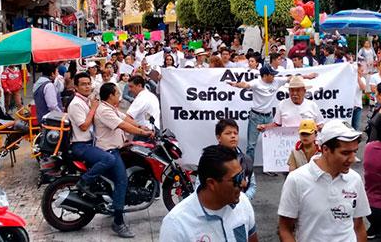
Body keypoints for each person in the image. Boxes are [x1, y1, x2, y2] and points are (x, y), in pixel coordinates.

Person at [278, 119, 369, 242]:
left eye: (354, 152)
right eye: (345, 153)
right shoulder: (296, 180)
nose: (353, 159)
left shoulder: (355, 179)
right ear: (325, 149)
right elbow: (285, 229)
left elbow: (358, 226)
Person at [159, 145, 258, 242]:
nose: (244, 183)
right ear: (211, 183)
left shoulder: (243, 202)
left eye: (242, 175)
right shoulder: (176, 225)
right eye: (237, 178)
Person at [94, 82, 154, 238]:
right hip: (109, 150)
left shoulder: (110, 108)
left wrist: (144, 127)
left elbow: (126, 119)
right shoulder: (104, 111)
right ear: (110, 96)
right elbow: (124, 126)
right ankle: (118, 222)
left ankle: (116, 203)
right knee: (122, 181)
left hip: (118, 147)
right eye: (117, 94)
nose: (119, 97)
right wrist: (142, 132)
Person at [227, 65, 314, 161]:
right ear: (264, 76)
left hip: (269, 117)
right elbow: (245, 85)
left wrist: (306, 76)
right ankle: (249, 172)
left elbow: (291, 78)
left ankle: (270, 167)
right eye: (271, 74)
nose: (273, 76)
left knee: (272, 143)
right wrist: (237, 84)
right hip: (255, 117)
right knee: (251, 146)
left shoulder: (276, 81)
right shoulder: (256, 83)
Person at [256, 75, 323, 132]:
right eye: (292, 90)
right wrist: (265, 126)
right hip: (286, 144)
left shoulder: (312, 105)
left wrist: (321, 128)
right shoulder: (282, 104)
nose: (294, 93)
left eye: (298, 90)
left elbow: (320, 124)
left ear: (304, 91)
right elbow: (277, 124)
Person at [215, 119, 256, 200]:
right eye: (228, 133)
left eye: (235, 133)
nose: (233, 136)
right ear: (218, 137)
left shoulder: (246, 160)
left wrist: (242, 200)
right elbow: (200, 186)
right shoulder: (210, 159)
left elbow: (252, 186)